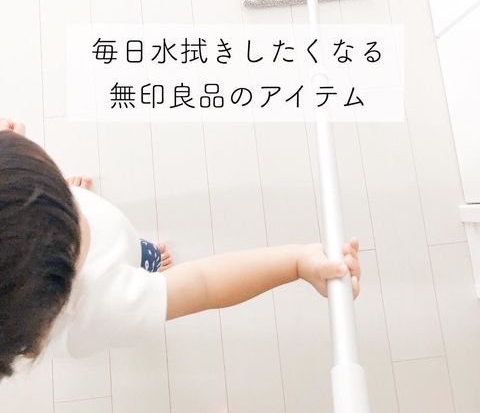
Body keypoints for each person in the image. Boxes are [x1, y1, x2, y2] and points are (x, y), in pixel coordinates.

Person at [0, 117, 360, 378]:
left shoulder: (22, 219)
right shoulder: (104, 305)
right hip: (114, 267)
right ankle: (149, 263)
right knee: (143, 258)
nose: (77, 203)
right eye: (71, 206)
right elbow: (204, 283)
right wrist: (296, 262)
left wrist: (17, 167)